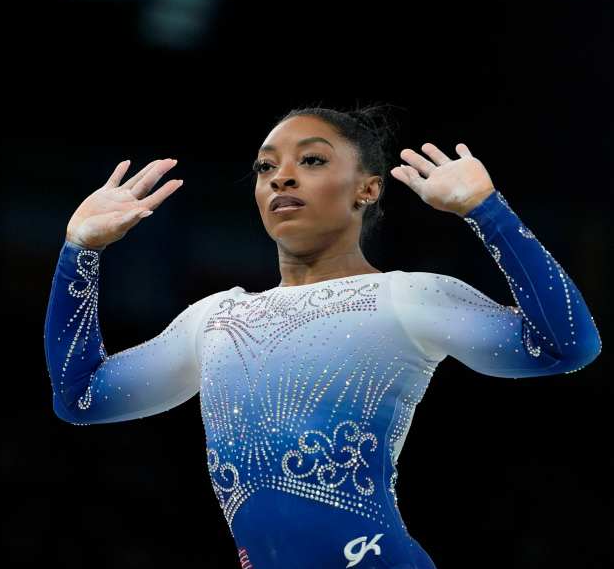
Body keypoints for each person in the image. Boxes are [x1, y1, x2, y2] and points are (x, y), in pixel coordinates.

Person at [44, 105, 602, 569]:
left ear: (367, 188)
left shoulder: (407, 297)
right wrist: (79, 252)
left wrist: (487, 211)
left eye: (311, 160)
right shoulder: (213, 320)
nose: (281, 177)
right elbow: (82, 399)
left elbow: (565, 346)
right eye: (266, 169)